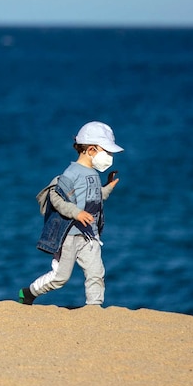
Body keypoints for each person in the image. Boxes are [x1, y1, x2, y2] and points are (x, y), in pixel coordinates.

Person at [19, 121, 124, 307]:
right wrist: (76, 213)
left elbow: (93, 199)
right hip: (69, 234)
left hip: (89, 235)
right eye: (106, 152)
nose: (108, 157)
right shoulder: (72, 172)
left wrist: (106, 189)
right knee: (61, 277)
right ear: (91, 150)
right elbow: (56, 198)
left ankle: (94, 307)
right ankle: (29, 293)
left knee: (96, 272)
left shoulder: (92, 173)